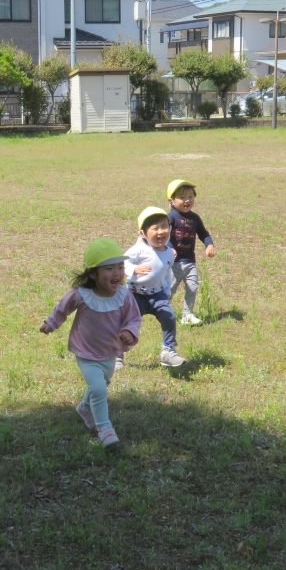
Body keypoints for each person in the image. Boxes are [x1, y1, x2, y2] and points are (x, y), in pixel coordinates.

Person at [41, 239, 142, 448]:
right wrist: (51, 323)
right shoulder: (82, 295)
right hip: (85, 352)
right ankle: (105, 430)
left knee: (102, 384)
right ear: (93, 274)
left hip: (110, 352)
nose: (117, 273)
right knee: (98, 388)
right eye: (109, 268)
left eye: (120, 267)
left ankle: (84, 407)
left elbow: (134, 318)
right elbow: (63, 308)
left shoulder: (125, 296)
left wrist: (129, 332)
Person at [123, 207, 185, 369]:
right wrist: (133, 270)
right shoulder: (139, 249)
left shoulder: (169, 253)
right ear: (143, 234)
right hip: (135, 295)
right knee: (125, 324)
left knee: (169, 317)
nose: (161, 231)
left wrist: (166, 291)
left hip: (157, 295)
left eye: (164, 227)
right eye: (155, 228)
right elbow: (123, 262)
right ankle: (116, 354)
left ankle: (168, 351)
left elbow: (165, 272)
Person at [167, 179, 216, 326]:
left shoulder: (194, 218)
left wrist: (209, 245)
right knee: (169, 289)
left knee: (193, 287)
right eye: (182, 197)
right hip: (173, 262)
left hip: (189, 261)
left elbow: (203, 233)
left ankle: (187, 315)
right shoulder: (171, 217)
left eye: (190, 196)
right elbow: (164, 235)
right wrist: (170, 247)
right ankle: (163, 311)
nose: (187, 200)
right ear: (171, 201)